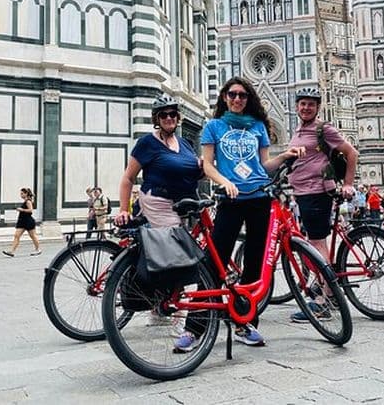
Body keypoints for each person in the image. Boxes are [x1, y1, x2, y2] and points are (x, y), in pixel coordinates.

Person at [175, 77, 301, 352]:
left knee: (254, 263)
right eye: (232, 94)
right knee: (214, 263)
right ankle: (194, 328)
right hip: (230, 200)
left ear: (249, 99)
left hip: (259, 197)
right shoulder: (214, 126)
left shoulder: (257, 127)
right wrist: (224, 182)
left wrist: (285, 156)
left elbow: (265, 164)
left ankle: (245, 322)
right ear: (224, 97)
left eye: (243, 95)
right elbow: (207, 165)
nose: (237, 99)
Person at [284, 87, 358, 323]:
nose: (306, 107)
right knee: (320, 244)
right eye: (302, 103)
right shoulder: (298, 130)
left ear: (318, 107)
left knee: (317, 246)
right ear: (296, 106)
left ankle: (322, 303)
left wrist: (348, 184)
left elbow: (351, 152)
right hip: (302, 193)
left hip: (316, 192)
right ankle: (332, 294)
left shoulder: (322, 129)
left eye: (311, 104)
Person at [114, 94, 203, 230]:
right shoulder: (147, 143)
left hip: (182, 203)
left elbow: (194, 173)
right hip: (158, 202)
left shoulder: (185, 144)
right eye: (163, 115)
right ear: (157, 119)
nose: (169, 118)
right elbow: (128, 177)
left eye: (172, 114)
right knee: (175, 244)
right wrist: (124, 210)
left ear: (177, 117)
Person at [2, 188, 41, 257]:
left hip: (28, 221)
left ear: (26, 193)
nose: (21, 195)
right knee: (17, 235)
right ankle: (12, 251)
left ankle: (38, 249)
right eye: (21, 194)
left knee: (33, 236)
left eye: (22, 193)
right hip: (22, 221)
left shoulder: (28, 201)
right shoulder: (25, 201)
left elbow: (30, 210)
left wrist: (21, 209)